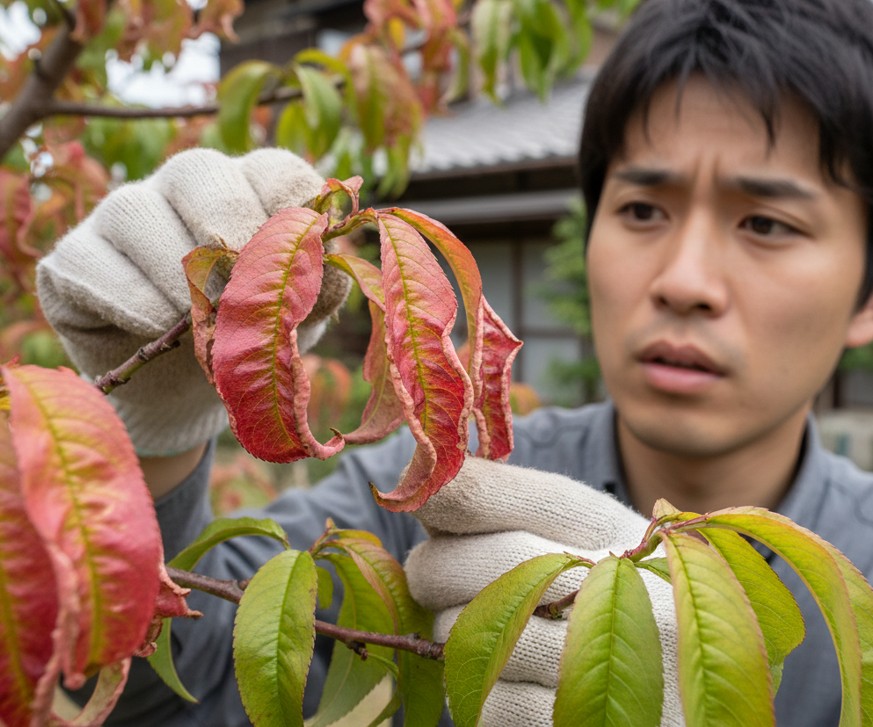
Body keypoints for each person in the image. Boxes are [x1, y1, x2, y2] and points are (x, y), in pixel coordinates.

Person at [34, 0, 873, 724]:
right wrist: (148, 441)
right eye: (643, 207)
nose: (684, 281)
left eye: (766, 223)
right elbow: (175, 684)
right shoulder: (442, 496)